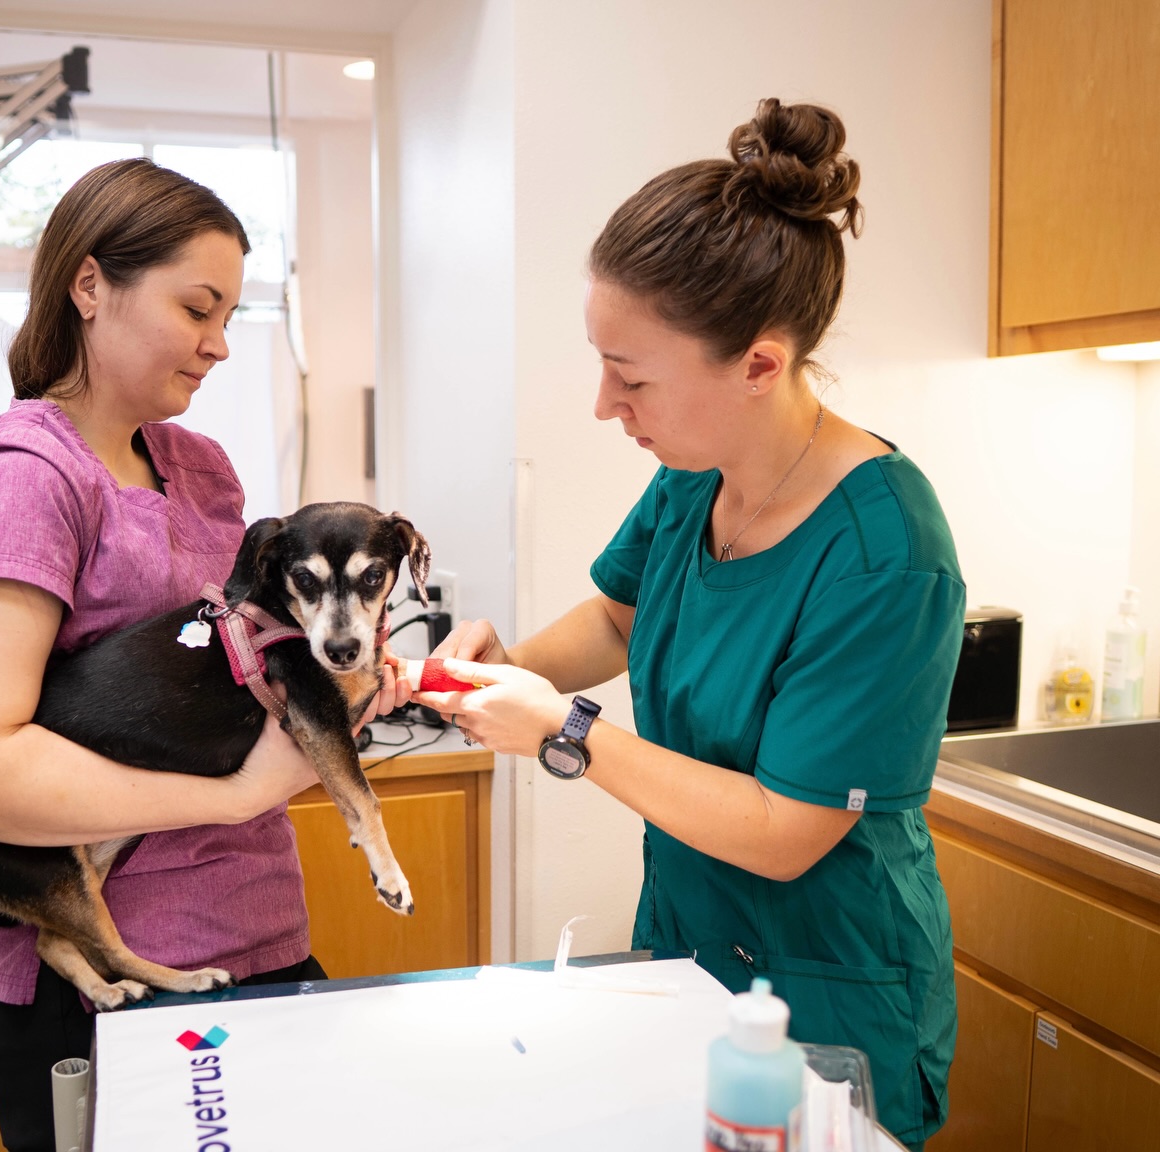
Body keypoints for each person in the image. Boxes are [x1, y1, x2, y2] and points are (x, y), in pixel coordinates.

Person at [419, 99, 961, 1150]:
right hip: (689, 945)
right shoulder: (694, 476)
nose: (601, 406)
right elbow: (621, 621)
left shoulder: (885, 556)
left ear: (758, 364)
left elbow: (787, 831)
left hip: (829, 990)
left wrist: (562, 733)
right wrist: (508, 673)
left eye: (630, 378)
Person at [0, 158, 398, 1152]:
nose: (220, 345)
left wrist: (357, 680)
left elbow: (248, 668)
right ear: (90, 286)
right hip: (112, 987)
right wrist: (231, 795)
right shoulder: (25, 479)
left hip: (258, 936)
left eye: (231, 316)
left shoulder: (202, 469)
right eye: (197, 308)